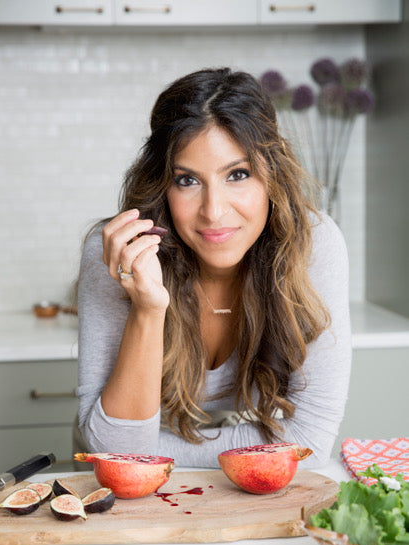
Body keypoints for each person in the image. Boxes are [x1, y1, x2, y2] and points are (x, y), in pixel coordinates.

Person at [75, 67, 351, 469]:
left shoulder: (313, 244)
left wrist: (150, 453)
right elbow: (116, 449)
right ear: (162, 185)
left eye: (237, 175)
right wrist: (148, 309)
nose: (213, 211)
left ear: (272, 174)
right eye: (187, 180)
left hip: (247, 486)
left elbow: (308, 443)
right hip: (132, 490)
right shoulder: (120, 254)